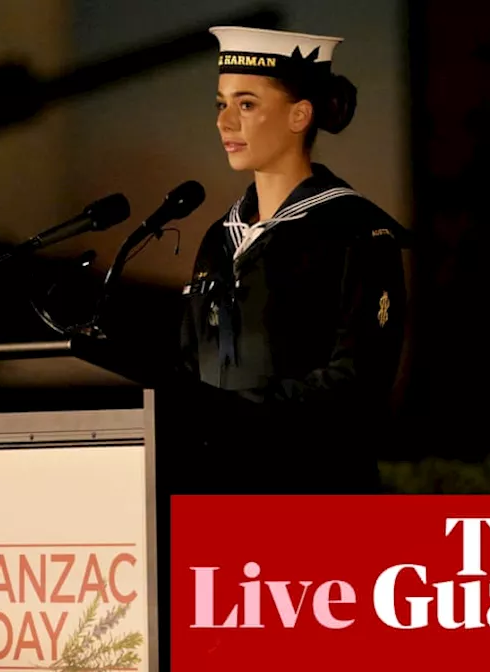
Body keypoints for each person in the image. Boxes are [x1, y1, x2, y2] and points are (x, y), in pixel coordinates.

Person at [175, 26, 409, 494]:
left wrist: (234, 414)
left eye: (246, 104)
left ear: (300, 114)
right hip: (213, 494)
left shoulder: (354, 229)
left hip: (314, 492)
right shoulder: (218, 238)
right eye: (221, 104)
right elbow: (187, 365)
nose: (224, 122)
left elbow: (356, 382)